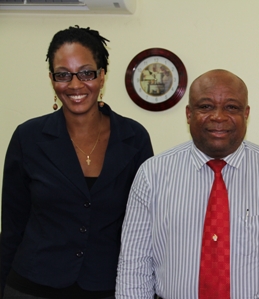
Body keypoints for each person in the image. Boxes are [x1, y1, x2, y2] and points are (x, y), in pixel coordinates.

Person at [115, 69, 259, 299]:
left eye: (231, 107)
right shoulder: (152, 175)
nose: (218, 117)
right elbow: (134, 266)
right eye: (206, 106)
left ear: (246, 114)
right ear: (189, 114)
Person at [0, 26, 154, 299]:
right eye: (63, 74)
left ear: (102, 75)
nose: (74, 84)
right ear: (51, 79)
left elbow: (145, 228)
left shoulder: (134, 138)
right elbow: (12, 226)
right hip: (32, 287)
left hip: (108, 287)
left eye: (86, 72)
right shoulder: (28, 137)